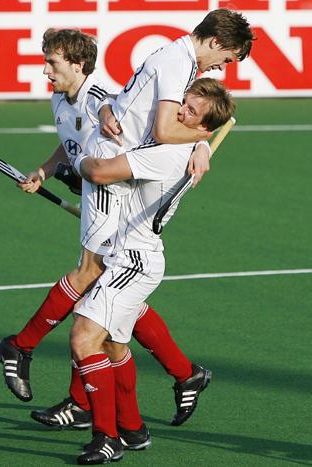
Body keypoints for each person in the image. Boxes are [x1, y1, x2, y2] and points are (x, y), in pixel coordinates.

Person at [0, 7, 253, 438]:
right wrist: (204, 138)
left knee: (99, 289)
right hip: (112, 176)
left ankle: (30, 355)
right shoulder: (176, 61)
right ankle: (131, 406)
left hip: (116, 177)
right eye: (225, 58)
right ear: (214, 41)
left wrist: (198, 139)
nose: (223, 68)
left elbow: (162, 125)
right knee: (103, 298)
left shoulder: (177, 63)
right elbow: (167, 127)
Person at [70, 77, 235, 464]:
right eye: (183, 103)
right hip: (130, 256)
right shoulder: (180, 144)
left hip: (134, 262)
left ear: (204, 127)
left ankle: (105, 437)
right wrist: (197, 142)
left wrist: (75, 160)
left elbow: (97, 173)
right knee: (112, 344)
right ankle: (131, 429)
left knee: (83, 338)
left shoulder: (167, 155)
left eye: (190, 112)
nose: (178, 112)